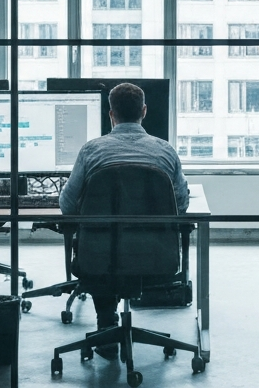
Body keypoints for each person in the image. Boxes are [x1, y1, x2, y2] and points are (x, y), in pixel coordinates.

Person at [60, 83, 188, 357]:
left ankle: (106, 321)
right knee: (118, 248)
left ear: (111, 114)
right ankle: (108, 322)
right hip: (155, 256)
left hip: (99, 257)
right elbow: (181, 205)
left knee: (103, 247)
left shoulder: (91, 151)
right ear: (144, 111)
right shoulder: (165, 151)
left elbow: (67, 206)